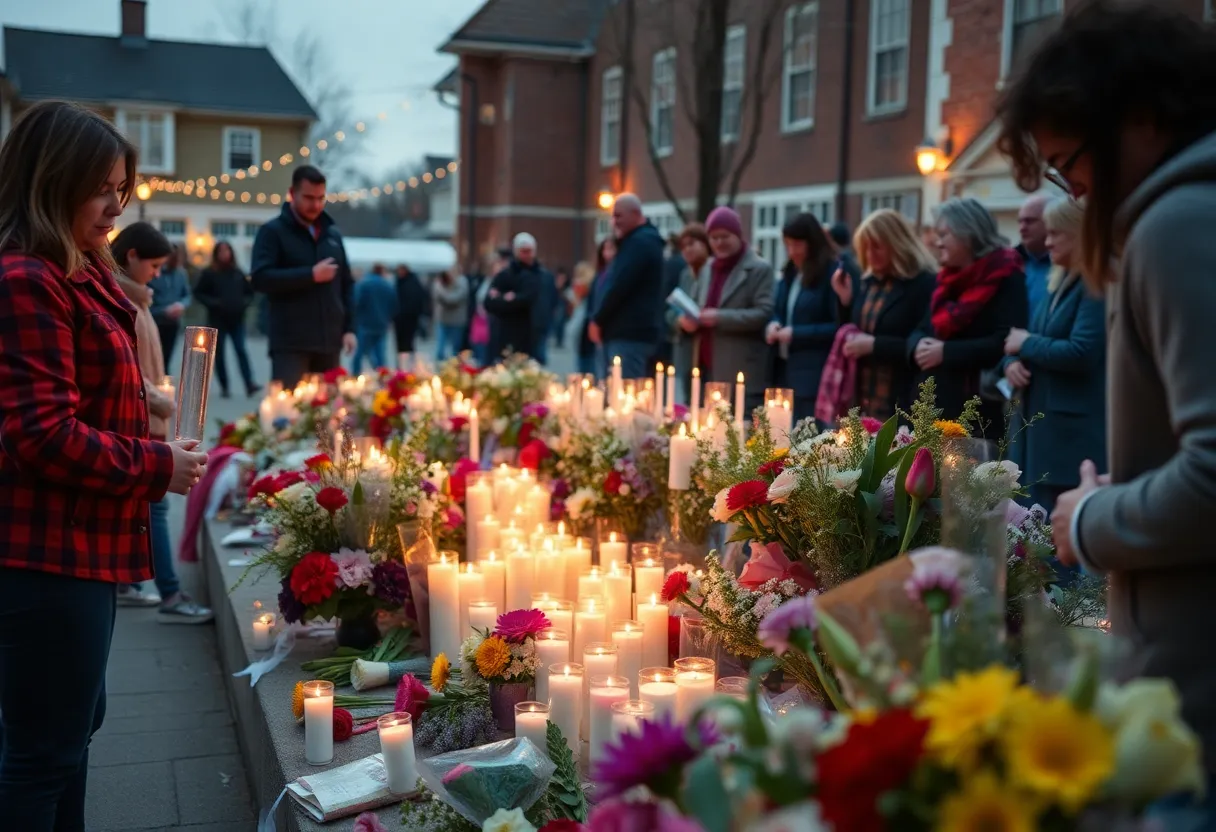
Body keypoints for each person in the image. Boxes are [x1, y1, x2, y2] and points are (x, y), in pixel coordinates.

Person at [999, 3, 1216, 813]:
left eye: (1069, 162)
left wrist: (1093, 519)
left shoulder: (1179, 224)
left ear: (1140, 117)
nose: (1074, 187)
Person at [0, 100, 207, 830]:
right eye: (101, 189)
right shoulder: (28, 278)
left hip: (81, 548)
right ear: (52, 182)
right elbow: (42, 434)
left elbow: (81, 393)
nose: (116, 207)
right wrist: (156, 465)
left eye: (122, 189)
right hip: (47, 555)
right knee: (42, 753)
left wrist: (148, 418)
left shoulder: (74, 267)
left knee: (70, 736)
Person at [110, 223, 214, 624]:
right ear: (131, 256)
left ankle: (128, 583)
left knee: (147, 509)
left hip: (148, 416)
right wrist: (163, 399)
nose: (158, 273)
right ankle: (171, 594)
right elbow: (129, 374)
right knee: (156, 511)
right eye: (153, 265)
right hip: (141, 420)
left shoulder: (139, 300)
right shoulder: (125, 302)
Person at [1000, 198, 1106, 515]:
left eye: (1056, 233)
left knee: (1056, 540)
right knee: (1032, 533)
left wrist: (1026, 345)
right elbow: (1023, 341)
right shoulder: (1057, 281)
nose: (1047, 242)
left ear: (1081, 233)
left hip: (1067, 439)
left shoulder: (1095, 285)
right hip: (1038, 431)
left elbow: (1081, 351)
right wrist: (1011, 364)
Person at [907, 198, 1028, 431]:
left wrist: (946, 353)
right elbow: (921, 328)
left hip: (974, 412)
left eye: (944, 235)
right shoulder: (944, 279)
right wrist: (917, 346)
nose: (938, 243)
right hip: (929, 403)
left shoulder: (1006, 276)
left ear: (968, 234)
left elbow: (1006, 340)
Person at [250, 165, 355, 387]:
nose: (315, 205)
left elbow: (346, 284)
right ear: (292, 193)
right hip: (291, 345)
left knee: (328, 417)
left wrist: (349, 329)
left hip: (329, 343)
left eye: (321, 198)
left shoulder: (332, 235)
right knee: (289, 415)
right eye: (308, 198)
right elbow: (260, 278)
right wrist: (310, 275)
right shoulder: (272, 232)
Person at [830, 209, 937, 420]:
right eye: (865, 247)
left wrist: (874, 345)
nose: (870, 254)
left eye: (877, 246)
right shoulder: (869, 282)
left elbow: (922, 344)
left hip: (902, 396)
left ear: (897, 243)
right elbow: (857, 331)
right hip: (864, 395)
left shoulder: (923, 283)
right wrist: (845, 303)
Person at [677, 206, 774, 412]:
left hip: (739, 368)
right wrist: (687, 320)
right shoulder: (707, 269)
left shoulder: (758, 268)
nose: (719, 242)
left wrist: (720, 317)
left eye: (725, 236)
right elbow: (696, 304)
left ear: (738, 235)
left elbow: (763, 313)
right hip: (704, 366)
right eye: (713, 238)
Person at [766, 214, 841, 423]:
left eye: (797, 245)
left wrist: (796, 334)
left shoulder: (830, 274)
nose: (792, 252)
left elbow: (837, 327)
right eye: (787, 245)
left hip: (812, 374)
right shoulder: (790, 273)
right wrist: (773, 323)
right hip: (783, 369)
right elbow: (778, 309)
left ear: (812, 243)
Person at [590, 194, 665, 379]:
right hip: (627, 332)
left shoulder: (640, 243)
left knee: (623, 395)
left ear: (636, 213)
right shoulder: (638, 242)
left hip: (629, 334)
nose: (614, 222)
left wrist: (598, 320)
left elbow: (620, 285)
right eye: (613, 216)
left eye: (619, 216)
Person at [193, 240, 259, 398]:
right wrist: (214, 303)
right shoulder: (209, 273)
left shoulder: (237, 273)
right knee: (219, 354)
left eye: (227, 250)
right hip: (217, 320)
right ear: (216, 254)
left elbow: (250, 292)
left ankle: (249, 384)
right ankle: (224, 385)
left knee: (241, 350)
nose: (224, 254)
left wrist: (244, 303)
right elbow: (198, 293)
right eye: (221, 251)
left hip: (236, 319)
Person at [667, 223, 710, 400]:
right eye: (683, 246)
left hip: (707, 348)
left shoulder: (712, 271)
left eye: (692, 244)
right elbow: (670, 310)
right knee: (688, 399)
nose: (687, 250)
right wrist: (679, 320)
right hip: (687, 349)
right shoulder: (685, 274)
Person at [485, 233, 545, 359]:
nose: (527, 255)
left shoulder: (541, 276)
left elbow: (529, 299)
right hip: (504, 333)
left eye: (529, 251)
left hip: (531, 334)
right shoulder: (504, 275)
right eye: (523, 251)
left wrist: (508, 299)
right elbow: (489, 302)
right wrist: (509, 299)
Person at [147, 243, 191, 369]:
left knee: (167, 358)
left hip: (174, 322)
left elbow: (187, 295)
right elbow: (148, 301)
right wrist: (163, 310)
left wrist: (181, 305)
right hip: (156, 321)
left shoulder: (181, 273)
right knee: (155, 358)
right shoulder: (154, 274)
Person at [579, 238, 616, 378]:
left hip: (607, 325)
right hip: (596, 324)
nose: (608, 253)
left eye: (611, 249)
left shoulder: (615, 274)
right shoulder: (600, 275)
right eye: (605, 249)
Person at [351, 263, 399, 372]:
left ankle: (355, 376)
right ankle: (382, 378)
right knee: (380, 355)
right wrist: (388, 319)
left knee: (359, 354)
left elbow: (355, 303)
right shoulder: (388, 286)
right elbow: (394, 305)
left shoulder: (363, 284)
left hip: (364, 324)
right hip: (382, 325)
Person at [1015, 194, 1053, 318]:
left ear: (1050, 222)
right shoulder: (1011, 263)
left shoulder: (1068, 266)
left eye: (1029, 221)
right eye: (1020, 221)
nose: (1022, 228)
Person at [433, 267, 470, 361]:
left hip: (457, 321)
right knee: (440, 351)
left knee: (455, 351)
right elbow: (435, 296)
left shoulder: (462, 282)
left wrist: (440, 290)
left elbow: (453, 299)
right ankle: (439, 372)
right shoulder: (441, 282)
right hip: (443, 319)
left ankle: (453, 372)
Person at [392, 264, 427, 360]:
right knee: (401, 345)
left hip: (409, 319)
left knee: (407, 344)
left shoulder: (411, 283)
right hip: (400, 320)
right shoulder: (400, 282)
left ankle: (407, 366)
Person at [551, 265, 573, 350]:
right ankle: (557, 339)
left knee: (561, 322)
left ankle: (560, 339)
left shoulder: (567, 286)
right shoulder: (554, 284)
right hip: (557, 304)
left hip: (564, 305)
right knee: (557, 322)